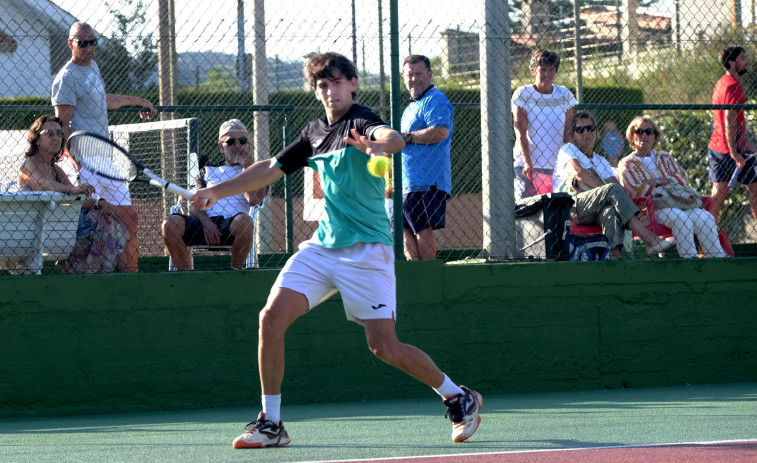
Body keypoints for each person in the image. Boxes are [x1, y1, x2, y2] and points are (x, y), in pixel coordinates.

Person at [190, 52, 482, 448]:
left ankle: (457, 396)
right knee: (270, 319)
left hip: (367, 250)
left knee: (384, 346)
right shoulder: (313, 133)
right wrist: (214, 191)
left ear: (353, 84)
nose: (330, 91)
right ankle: (271, 423)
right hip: (323, 248)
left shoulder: (362, 120)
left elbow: (391, 138)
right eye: (322, 85)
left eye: (337, 82)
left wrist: (380, 147)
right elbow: (271, 167)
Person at [51, 21, 157, 272]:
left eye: (93, 42)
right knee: (94, 224)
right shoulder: (66, 77)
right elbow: (62, 125)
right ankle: (86, 282)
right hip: (84, 161)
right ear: (70, 44)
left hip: (106, 160)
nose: (89, 48)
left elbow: (103, 100)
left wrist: (139, 101)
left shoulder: (93, 67)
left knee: (128, 219)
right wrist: (78, 162)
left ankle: (130, 285)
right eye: (82, 43)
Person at [553, 112, 675, 259]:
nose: (586, 133)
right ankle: (650, 239)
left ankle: (614, 255)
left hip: (596, 209)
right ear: (573, 134)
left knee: (611, 211)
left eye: (590, 128)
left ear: (596, 132)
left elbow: (616, 185)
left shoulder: (601, 161)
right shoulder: (568, 149)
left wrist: (612, 196)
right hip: (572, 206)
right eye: (580, 129)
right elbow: (580, 173)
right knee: (611, 191)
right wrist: (605, 191)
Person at [17, 115, 128, 273]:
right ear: (37, 139)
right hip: (36, 230)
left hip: (62, 227)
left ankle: (115, 275)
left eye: (60, 134)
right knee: (103, 224)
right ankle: (96, 272)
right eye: (49, 133)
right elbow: (43, 183)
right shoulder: (28, 164)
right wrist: (73, 189)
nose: (56, 137)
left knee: (106, 218)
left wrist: (99, 203)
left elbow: (78, 200)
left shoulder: (56, 169)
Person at [162, 119, 267, 270]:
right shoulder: (208, 171)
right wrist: (206, 223)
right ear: (221, 147)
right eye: (231, 142)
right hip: (203, 223)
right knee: (169, 224)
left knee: (245, 222)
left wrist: (249, 167)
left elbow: (254, 199)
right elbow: (194, 204)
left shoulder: (260, 170)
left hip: (234, 224)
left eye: (242, 141)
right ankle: (186, 277)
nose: (238, 146)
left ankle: (234, 272)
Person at [619, 116, 726, 258]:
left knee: (705, 216)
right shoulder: (627, 163)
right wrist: (666, 181)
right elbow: (636, 189)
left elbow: (683, 179)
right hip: (651, 209)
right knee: (679, 217)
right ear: (632, 136)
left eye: (649, 131)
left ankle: (718, 259)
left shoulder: (664, 157)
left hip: (678, 203)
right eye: (639, 131)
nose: (644, 135)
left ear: (655, 136)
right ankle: (690, 260)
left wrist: (655, 182)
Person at [399, 54, 454, 260]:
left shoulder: (435, 99)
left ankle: (427, 274)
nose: (414, 78)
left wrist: (407, 137)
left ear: (430, 74)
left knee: (422, 229)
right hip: (407, 182)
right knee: (404, 229)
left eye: (419, 74)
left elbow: (440, 131)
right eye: (409, 74)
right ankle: (416, 274)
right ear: (403, 77)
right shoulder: (410, 107)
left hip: (427, 180)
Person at [512, 49, 576, 200]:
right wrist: (528, 164)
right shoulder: (523, 94)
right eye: (543, 70)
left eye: (551, 69)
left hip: (559, 168)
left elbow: (568, 134)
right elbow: (521, 133)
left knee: (557, 213)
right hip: (529, 168)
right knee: (526, 211)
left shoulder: (565, 94)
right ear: (534, 71)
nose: (547, 74)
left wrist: (572, 162)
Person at [708, 45, 757, 222]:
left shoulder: (721, 83)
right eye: (742, 58)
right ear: (731, 62)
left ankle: (705, 237)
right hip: (731, 149)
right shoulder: (733, 86)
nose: (747, 62)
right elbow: (729, 119)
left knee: (719, 194)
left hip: (718, 146)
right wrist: (735, 153)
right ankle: (705, 236)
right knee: (754, 188)